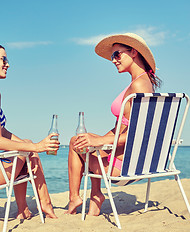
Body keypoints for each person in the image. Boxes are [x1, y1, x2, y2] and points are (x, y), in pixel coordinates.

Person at [65, 33, 162, 216]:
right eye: (112, 57)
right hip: (131, 159)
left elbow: (141, 134)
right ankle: (95, 196)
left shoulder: (140, 86)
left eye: (116, 55)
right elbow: (127, 127)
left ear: (133, 52)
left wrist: (99, 141)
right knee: (85, 140)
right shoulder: (140, 82)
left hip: (124, 167)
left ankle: (75, 198)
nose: (113, 60)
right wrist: (99, 139)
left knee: (74, 143)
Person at [0, 42, 59, 219]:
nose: (7, 64)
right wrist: (38, 147)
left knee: (27, 146)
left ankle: (24, 209)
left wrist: (29, 144)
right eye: (3, 59)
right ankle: (45, 204)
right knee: (30, 150)